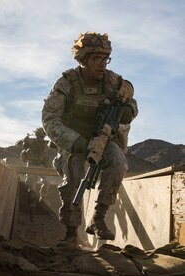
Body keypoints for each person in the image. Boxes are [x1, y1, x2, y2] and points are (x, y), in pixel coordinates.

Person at [42, 31, 138, 246]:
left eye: (106, 59)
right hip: (74, 139)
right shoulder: (66, 83)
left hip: (104, 137)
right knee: (73, 179)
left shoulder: (113, 81)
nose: (102, 64)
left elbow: (132, 100)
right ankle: (70, 233)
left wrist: (128, 110)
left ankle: (98, 218)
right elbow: (49, 119)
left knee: (119, 163)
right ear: (83, 60)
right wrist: (76, 143)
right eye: (97, 59)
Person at [20, 127, 51, 221]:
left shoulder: (46, 143)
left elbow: (48, 153)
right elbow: (18, 144)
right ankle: (31, 211)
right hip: (32, 165)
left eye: (43, 136)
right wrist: (25, 140)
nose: (41, 138)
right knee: (31, 189)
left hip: (41, 165)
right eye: (40, 136)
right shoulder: (31, 141)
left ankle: (43, 197)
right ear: (36, 135)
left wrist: (49, 167)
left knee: (47, 180)